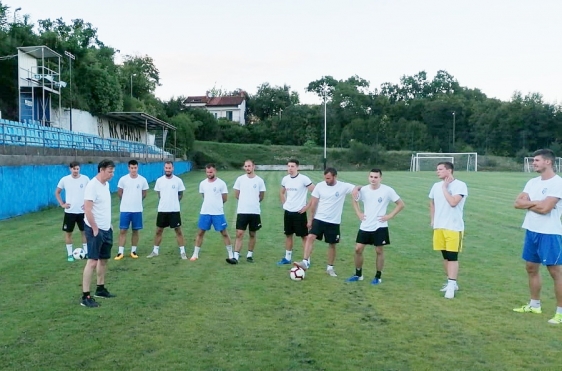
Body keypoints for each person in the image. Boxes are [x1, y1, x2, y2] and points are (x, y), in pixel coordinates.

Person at [513, 149, 562, 324]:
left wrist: (529, 203)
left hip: (549, 233)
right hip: (531, 230)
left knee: (556, 272)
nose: (533, 163)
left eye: (536, 160)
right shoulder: (532, 182)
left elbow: (545, 209)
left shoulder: (558, 183)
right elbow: (517, 203)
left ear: (548, 162)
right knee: (531, 268)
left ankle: (560, 313)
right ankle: (534, 305)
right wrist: (536, 202)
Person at [294, 167, 359, 277]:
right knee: (310, 237)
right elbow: (314, 203)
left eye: (329, 178)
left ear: (335, 176)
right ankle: (305, 262)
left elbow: (356, 188)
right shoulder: (319, 186)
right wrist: (310, 219)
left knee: (332, 244)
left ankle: (330, 268)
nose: (327, 181)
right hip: (319, 219)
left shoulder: (343, 186)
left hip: (333, 222)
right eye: (325, 178)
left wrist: (357, 189)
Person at [346, 169, 405, 284]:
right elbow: (354, 200)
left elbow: (401, 204)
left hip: (380, 226)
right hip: (365, 225)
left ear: (380, 178)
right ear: (368, 177)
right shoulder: (363, 190)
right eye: (371, 177)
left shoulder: (387, 190)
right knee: (358, 249)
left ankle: (378, 277)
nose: (373, 179)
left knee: (379, 251)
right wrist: (359, 213)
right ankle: (358, 274)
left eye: (376, 177)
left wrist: (390, 216)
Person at [429, 161, 468, 299]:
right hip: (439, 227)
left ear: (449, 171)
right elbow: (432, 202)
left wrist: (445, 188)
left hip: (453, 227)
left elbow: (453, 202)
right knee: (445, 257)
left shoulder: (460, 185)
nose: (437, 172)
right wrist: (433, 220)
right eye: (437, 169)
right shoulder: (435, 186)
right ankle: (451, 282)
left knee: (452, 257)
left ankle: (451, 286)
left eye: (440, 169)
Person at [81, 159, 115, 308]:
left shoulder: (106, 185)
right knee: (93, 261)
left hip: (106, 228)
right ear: (101, 170)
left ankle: (100, 289)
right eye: (110, 171)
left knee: (104, 259)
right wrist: (95, 228)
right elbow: (87, 209)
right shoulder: (92, 186)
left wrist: (109, 224)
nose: (112, 174)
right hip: (94, 229)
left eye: (113, 171)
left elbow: (103, 207)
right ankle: (85, 296)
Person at [226, 159, 266, 264]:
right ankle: (235, 257)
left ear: (253, 167)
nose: (247, 168)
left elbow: (261, 196)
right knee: (239, 233)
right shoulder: (240, 179)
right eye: (246, 166)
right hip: (242, 211)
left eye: (249, 166)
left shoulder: (259, 181)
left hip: (255, 212)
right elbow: (237, 194)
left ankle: (249, 255)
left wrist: (253, 202)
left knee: (252, 233)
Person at [191, 163, 233, 261]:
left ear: (215, 171)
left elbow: (224, 198)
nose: (209, 174)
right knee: (200, 232)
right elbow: (204, 196)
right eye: (207, 172)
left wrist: (217, 205)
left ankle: (231, 254)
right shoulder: (203, 184)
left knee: (224, 233)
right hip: (205, 212)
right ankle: (195, 254)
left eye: (211, 172)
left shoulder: (221, 183)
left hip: (218, 213)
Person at [277, 159, 315, 265]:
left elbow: (315, 192)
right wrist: (284, 204)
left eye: (292, 166)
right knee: (288, 234)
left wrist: (307, 206)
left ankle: (306, 260)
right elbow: (281, 192)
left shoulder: (304, 179)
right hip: (288, 212)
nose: (290, 168)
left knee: (304, 236)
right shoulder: (285, 179)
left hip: (299, 213)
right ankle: (287, 258)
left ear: (297, 167)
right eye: (288, 166)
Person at [147, 161, 187, 259]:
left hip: (174, 210)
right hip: (162, 210)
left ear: (173, 168)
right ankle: (155, 251)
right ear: (164, 168)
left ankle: (182, 252)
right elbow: (159, 195)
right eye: (166, 168)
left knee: (178, 231)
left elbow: (180, 194)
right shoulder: (159, 180)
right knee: (158, 231)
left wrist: (174, 202)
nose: (168, 170)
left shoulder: (178, 181)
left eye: (169, 168)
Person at [114, 160, 149, 260]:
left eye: (135, 168)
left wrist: (137, 201)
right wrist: (125, 201)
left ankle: (133, 251)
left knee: (135, 230)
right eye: (132, 168)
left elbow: (144, 193)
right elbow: (120, 192)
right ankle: (120, 252)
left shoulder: (142, 180)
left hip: (137, 210)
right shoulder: (123, 179)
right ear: (128, 168)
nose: (133, 170)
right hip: (125, 209)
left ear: (137, 168)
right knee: (123, 230)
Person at [55, 161, 90, 261]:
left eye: (77, 169)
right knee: (68, 233)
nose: (75, 171)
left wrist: (87, 203)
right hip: (69, 212)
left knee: (84, 232)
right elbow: (57, 192)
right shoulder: (65, 180)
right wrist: (62, 204)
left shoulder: (85, 179)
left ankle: (86, 253)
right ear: (70, 169)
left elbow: (91, 191)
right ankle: (70, 254)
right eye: (74, 169)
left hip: (82, 212)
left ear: (80, 169)